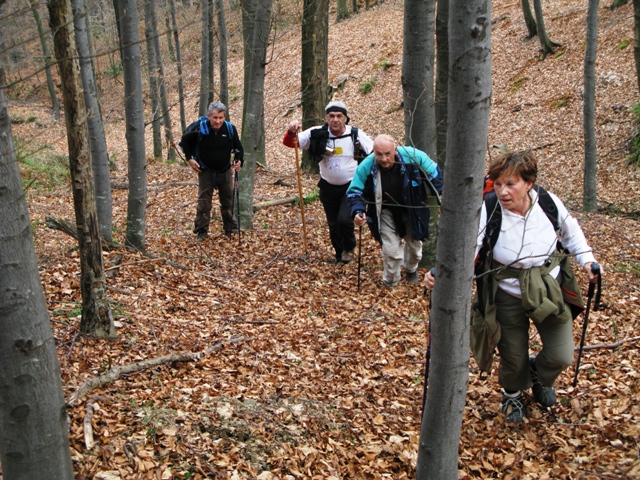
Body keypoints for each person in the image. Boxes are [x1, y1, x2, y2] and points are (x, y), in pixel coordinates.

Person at [424, 150, 601, 423]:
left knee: (561, 355)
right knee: (513, 357)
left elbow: (571, 232)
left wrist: (587, 261)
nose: (503, 191)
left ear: (529, 183)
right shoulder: (488, 209)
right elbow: (469, 249)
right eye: (497, 184)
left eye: (511, 184)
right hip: (505, 292)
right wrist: (443, 275)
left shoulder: (547, 203)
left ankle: (539, 375)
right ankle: (512, 393)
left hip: (547, 288)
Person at [346, 134, 443, 287]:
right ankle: (391, 282)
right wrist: (358, 211)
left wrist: (441, 194)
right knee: (391, 251)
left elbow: (434, 173)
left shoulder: (413, 156)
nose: (384, 159)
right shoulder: (367, 165)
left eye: (388, 154)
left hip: (413, 210)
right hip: (385, 211)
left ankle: (411, 269)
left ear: (395, 150)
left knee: (415, 249)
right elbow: (354, 192)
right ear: (374, 152)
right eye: (379, 154)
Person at [283, 101, 374, 263]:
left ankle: (349, 247)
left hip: (351, 186)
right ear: (326, 117)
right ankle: (340, 255)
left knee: (345, 220)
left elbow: (374, 151)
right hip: (327, 187)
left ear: (345, 118)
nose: (335, 119)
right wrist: (291, 130)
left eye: (339, 116)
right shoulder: (316, 133)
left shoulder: (355, 134)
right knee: (333, 224)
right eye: (331, 116)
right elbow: (291, 142)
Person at [180, 101, 243, 241]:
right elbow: (185, 141)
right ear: (209, 116)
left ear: (224, 117)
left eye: (221, 117)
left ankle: (231, 230)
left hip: (225, 171)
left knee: (228, 201)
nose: (218, 121)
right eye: (215, 118)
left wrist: (239, 160)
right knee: (204, 203)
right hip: (205, 171)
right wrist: (189, 159)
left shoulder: (230, 129)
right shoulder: (200, 128)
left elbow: (238, 148)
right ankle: (201, 231)